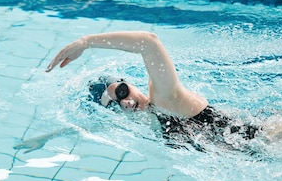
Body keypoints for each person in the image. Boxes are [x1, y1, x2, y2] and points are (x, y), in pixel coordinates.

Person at [15, 31, 260, 152]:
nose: (127, 102)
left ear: (129, 83)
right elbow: (87, 128)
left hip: (272, 138)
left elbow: (149, 42)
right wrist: (46, 138)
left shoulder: (164, 98)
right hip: (254, 155)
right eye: (116, 104)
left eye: (122, 91)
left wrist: (86, 42)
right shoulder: (148, 121)